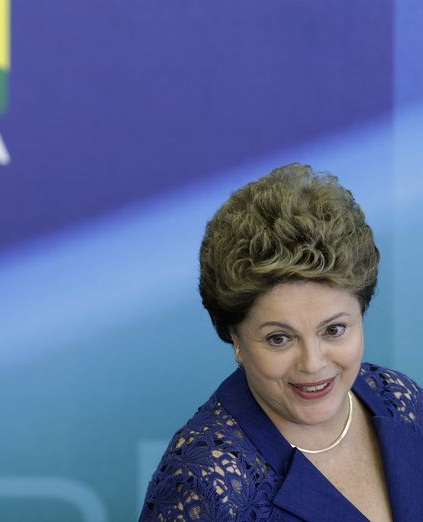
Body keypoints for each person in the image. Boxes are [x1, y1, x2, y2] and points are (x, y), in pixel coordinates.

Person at [139, 164, 423, 521]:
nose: (312, 363)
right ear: (236, 338)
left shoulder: (401, 400)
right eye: (279, 338)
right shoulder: (204, 482)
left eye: (333, 330)